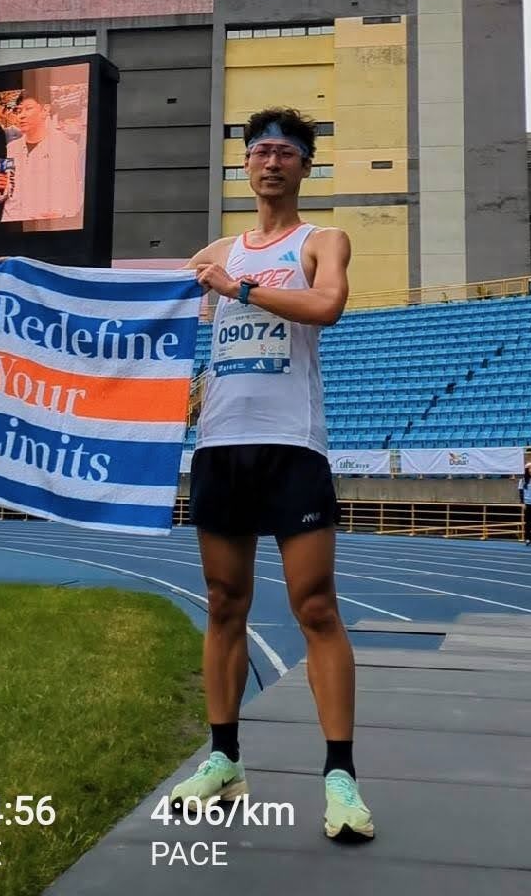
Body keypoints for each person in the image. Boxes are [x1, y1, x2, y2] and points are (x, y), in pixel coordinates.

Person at [169, 107, 373, 842]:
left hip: (292, 444)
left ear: (304, 167)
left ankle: (341, 777)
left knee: (315, 606)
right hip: (221, 444)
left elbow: (327, 306)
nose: (272, 162)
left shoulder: (321, 241)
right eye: (260, 151)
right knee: (224, 603)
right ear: (246, 165)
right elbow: (147, 313)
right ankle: (224, 760)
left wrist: (239, 289)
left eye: (286, 152)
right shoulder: (215, 252)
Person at [0, 91, 82, 231]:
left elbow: (75, 191)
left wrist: (63, 215)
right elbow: (4, 193)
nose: (21, 115)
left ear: (45, 110)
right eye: (19, 111)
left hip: (45, 228)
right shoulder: (10, 148)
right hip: (12, 224)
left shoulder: (66, 147)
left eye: (28, 109)